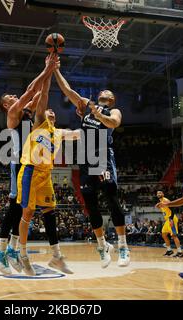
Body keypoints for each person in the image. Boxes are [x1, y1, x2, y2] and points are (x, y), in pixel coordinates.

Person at [53, 68, 130, 268]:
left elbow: (114, 123)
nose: (106, 93)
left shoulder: (114, 111)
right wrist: (55, 70)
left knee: (112, 200)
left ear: (112, 100)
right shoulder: (88, 106)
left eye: (110, 94)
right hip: (86, 160)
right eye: (103, 92)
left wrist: (97, 113)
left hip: (103, 156)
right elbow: (68, 90)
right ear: (98, 96)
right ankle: (102, 246)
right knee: (90, 205)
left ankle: (123, 246)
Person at [0, 53, 60, 275]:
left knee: (24, 208)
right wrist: (47, 69)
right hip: (18, 163)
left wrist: (51, 71)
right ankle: (0, 250)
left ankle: (11, 248)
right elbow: (31, 90)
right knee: (15, 206)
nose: (13, 96)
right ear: (5, 104)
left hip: (30, 162)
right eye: (10, 96)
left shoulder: (27, 112)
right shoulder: (13, 113)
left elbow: (39, 92)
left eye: (14, 95)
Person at [17, 62, 79, 276]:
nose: (50, 111)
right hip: (30, 171)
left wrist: (96, 120)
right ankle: (22, 256)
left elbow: (78, 134)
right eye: (48, 110)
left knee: (50, 212)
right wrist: (50, 69)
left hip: (45, 175)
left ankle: (57, 256)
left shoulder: (59, 132)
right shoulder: (40, 123)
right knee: (28, 212)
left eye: (53, 111)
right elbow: (43, 94)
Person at [156, 190, 183, 258]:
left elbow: (173, 209)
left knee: (174, 235)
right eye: (157, 193)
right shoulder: (161, 202)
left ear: (163, 194)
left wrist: (171, 219)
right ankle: (169, 250)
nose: (158, 194)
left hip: (171, 219)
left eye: (160, 193)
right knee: (164, 234)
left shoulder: (165, 200)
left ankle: (180, 252)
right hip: (167, 220)